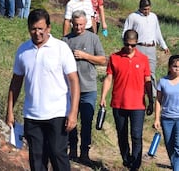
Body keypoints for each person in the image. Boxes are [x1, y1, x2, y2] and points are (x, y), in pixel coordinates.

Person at [6, 8, 80, 171]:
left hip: (57, 114)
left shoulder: (61, 48)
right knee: (37, 160)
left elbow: (74, 81)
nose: (37, 32)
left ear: (48, 28)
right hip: (32, 115)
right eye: (33, 29)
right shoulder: (23, 51)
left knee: (58, 155)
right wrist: (10, 110)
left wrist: (73, 112)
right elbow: (16, 83)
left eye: (41, 28)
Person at [101, 29, 154, 170]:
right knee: (121, 134)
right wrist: (103, 97)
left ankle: (135, 165)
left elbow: (147, 79)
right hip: (119, 103)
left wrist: (151, 100)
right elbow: (108, 78)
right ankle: (126, 159)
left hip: (138, 104)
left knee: (136, 135)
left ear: (137, 43)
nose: (129, 47)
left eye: (132, 45)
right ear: (123, 42)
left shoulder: (143, 59)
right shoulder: (114, 57)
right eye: (127, 44)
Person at [62, 10, 106, 162]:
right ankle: (72, 149)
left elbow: (102, 60)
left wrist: (85, 56)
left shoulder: (93, 38)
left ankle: (85, 152)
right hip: (70, 89)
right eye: (76, 25)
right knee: (70, 120)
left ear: (85, 23)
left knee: (87, 122)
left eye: (81, 24)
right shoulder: (66, 40)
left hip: (88, 88)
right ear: (72, 23)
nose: (78, 27)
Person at [123, 0, 170, 96]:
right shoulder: (133, 17)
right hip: (139, 46)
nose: (147, 11)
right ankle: (137, 91)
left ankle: (152, 94)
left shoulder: (153, 17)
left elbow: (157, 32)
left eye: (148, 9)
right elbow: (126, 32)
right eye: (145, 9)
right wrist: (128, 46)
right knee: (137, 70)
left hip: (151, 47)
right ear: (140, 8)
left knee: (151, 71)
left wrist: (164, 45)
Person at [154, 55, 179, 171]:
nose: (177, 69)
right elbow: (158, 100)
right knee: (169, 146)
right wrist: (157, 119)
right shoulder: (163, 81)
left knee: (178, 146)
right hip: (166, 118)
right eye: (175, 66)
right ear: (169, 67)